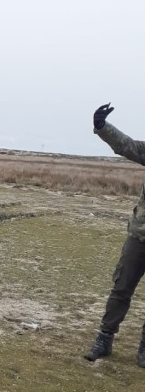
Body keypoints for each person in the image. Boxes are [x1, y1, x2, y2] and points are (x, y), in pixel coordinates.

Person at [85, 103, 145, 368]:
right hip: (139, 237)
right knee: (121, 289)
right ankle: (104, 338)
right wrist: (102, 126)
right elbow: (126, 145)